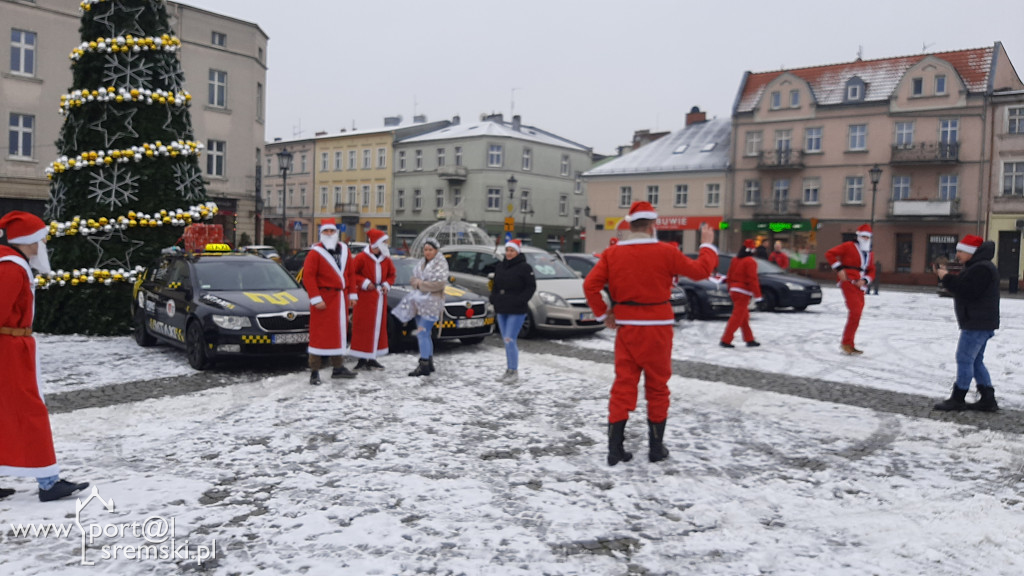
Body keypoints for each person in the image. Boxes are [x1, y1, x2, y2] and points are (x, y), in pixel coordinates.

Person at [583, 201, 718, 466]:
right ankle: (656, 448)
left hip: (627, 329)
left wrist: (604, 313)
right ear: (653, 225)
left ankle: (615, 450)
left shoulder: (612, 254)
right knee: (657, 388)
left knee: (623, 386)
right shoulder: (665, 251)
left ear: (629, 224)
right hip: (658, 330)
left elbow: (590, 285)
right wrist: (707, 243)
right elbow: (702, 271)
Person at [0, 211, 89, 502]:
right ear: (28, 240)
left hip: (12, 347)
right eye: (40, 238)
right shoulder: (12, 268)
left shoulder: (11, 263)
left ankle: (48, 480)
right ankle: (49, 483)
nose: (43, 245)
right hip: (10, 351)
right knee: (30, 411)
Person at [933, 235, 1000, 412]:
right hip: (980, 321)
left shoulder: (981, 268)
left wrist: (946, 277)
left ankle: (958, 398)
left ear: (972, 252)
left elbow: (967, 291)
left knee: (964, 358)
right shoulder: (978, 267)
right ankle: (987, 398)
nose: (958, 255)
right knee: (976, 361)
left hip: (977, 323)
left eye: (961, 251)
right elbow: (965, 286)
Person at [302, 219, 358, 385]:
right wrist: (316, 298)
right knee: (319, 336)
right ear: (321, 233)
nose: (329, 234)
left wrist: (352, 295)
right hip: (323, 299)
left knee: (339, 334)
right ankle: (314, 371)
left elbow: (351, 274)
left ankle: (338, 367)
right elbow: (308, 277)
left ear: (336, 232)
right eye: (325, 231)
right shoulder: (315, 253)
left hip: (340, 299)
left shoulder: (345, 251)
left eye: (331, 231)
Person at [391, 238, 450, 377]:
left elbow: (439, 284)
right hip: (418, 302)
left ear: (436, 250)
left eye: (430, 250)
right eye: (426, 250)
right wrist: (419, 284)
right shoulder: (421, 263)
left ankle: (423, 364)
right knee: (424, 334)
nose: (427, 252)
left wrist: (420, 284)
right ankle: (428, 362)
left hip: (432, 303)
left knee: (422, 332)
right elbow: (412, 279)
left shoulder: (441, 264)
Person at [490, 239, 536, 383]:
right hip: (501, 308)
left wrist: (519, 300)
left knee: (510, 339)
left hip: (516, 310)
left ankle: (513, 371)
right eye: (508, 250)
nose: (509, 253)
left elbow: (530, 287)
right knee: (506, 340)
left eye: (512, 251)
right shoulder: (500, 266)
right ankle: (508, 370)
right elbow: (495, 285)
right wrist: (494, 298)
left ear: (517, 252)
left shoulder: (525, 267)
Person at [825, 224, 876, 355]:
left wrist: (865, 280)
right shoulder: (848, 246)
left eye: (867, 237)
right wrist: (839, 268)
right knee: (855, 311)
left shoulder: (869, 253)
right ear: (858, 236)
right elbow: (830, 254)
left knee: (857, 313)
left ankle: (849, 342)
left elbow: (871, 270)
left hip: (860, 284)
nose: (865, 239)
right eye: (863, 236)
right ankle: (847, 343)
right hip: (848, 280)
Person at [350, 229, 396, 370]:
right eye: (384, 242)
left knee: (378, 328)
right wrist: (364, 283)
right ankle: (362, 357)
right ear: (376, 243)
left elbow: (392, 274)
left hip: (380, 298)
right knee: (363, 327)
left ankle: (373, 356)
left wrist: (387, 285)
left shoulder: (386, 259)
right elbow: (352, 274)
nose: (386, 244)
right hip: (364, 298)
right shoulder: (361, 258)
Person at [720, 239, 762, 349]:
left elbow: (729, 275)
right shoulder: (750, 261)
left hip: (734, 290)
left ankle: (749, 339)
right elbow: (753, 279)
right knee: (738, 317)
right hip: (743, 291)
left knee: (743, 316)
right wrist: (758, 295)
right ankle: (726, 340)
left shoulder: (735, 260)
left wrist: (730, 289)